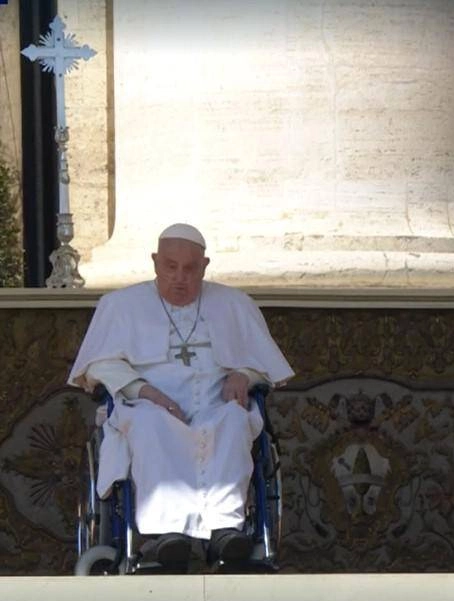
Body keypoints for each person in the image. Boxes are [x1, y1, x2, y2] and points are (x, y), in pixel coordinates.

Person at [69, 223, 294, 568]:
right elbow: (97, 365)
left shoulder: (235, 304)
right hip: (147, 405)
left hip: (217, 404)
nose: (180, 277)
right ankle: (166, 535)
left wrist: (243, 374)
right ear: (155, 262)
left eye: (190, 269)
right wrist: (143, 390)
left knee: (235, 418)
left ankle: (224, 530)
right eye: (170, 266)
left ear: (204, 266)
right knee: (147, 423)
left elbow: (266, 365)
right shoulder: (120, 305)